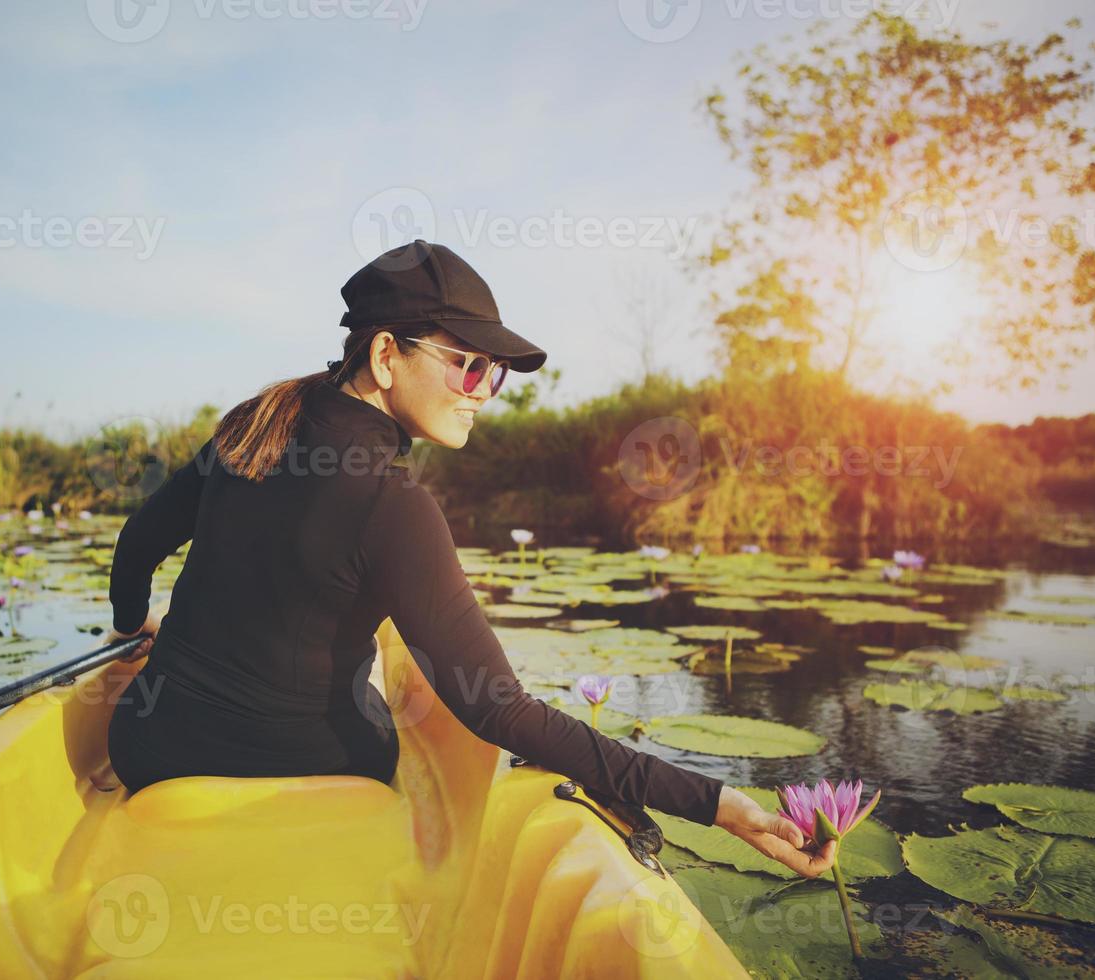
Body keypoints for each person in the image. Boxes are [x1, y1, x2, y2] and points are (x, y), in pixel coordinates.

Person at [105, 239, 835, 878]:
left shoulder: (250, 426)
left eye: (495, 373)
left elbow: (138, 541)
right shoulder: (396, 505)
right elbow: (497, 710)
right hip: (306, 768)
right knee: (373, 702)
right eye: (467, 366)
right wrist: (718, 802)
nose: (483, 393)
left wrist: (134, 625)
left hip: (149, 746)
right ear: (386, 355)